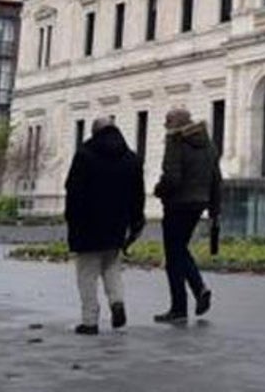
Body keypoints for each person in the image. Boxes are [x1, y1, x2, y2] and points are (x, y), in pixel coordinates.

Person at [64, 115, 146, 335]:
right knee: (112, 267)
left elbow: (73, 191)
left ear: (94, 132)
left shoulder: (84, 155)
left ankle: (90, 321)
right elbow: (138, 195)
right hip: (117, 224)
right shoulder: (131, 159)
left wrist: (71, 221)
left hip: (87, 224)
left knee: (87, 273)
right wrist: (136, 221)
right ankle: (117, 302)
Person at [152, 108, 221, 323]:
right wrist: (214, 210)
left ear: (177, 123)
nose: (165, 125)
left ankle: (182, 305)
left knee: (174, 254)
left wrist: (159, 190)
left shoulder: (176, 141)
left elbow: (172, 178)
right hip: (198, 203)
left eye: (167, 121)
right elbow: (216, 180)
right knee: (179, 250)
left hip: (177, 204)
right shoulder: (208, 145)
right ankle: (195, 293)